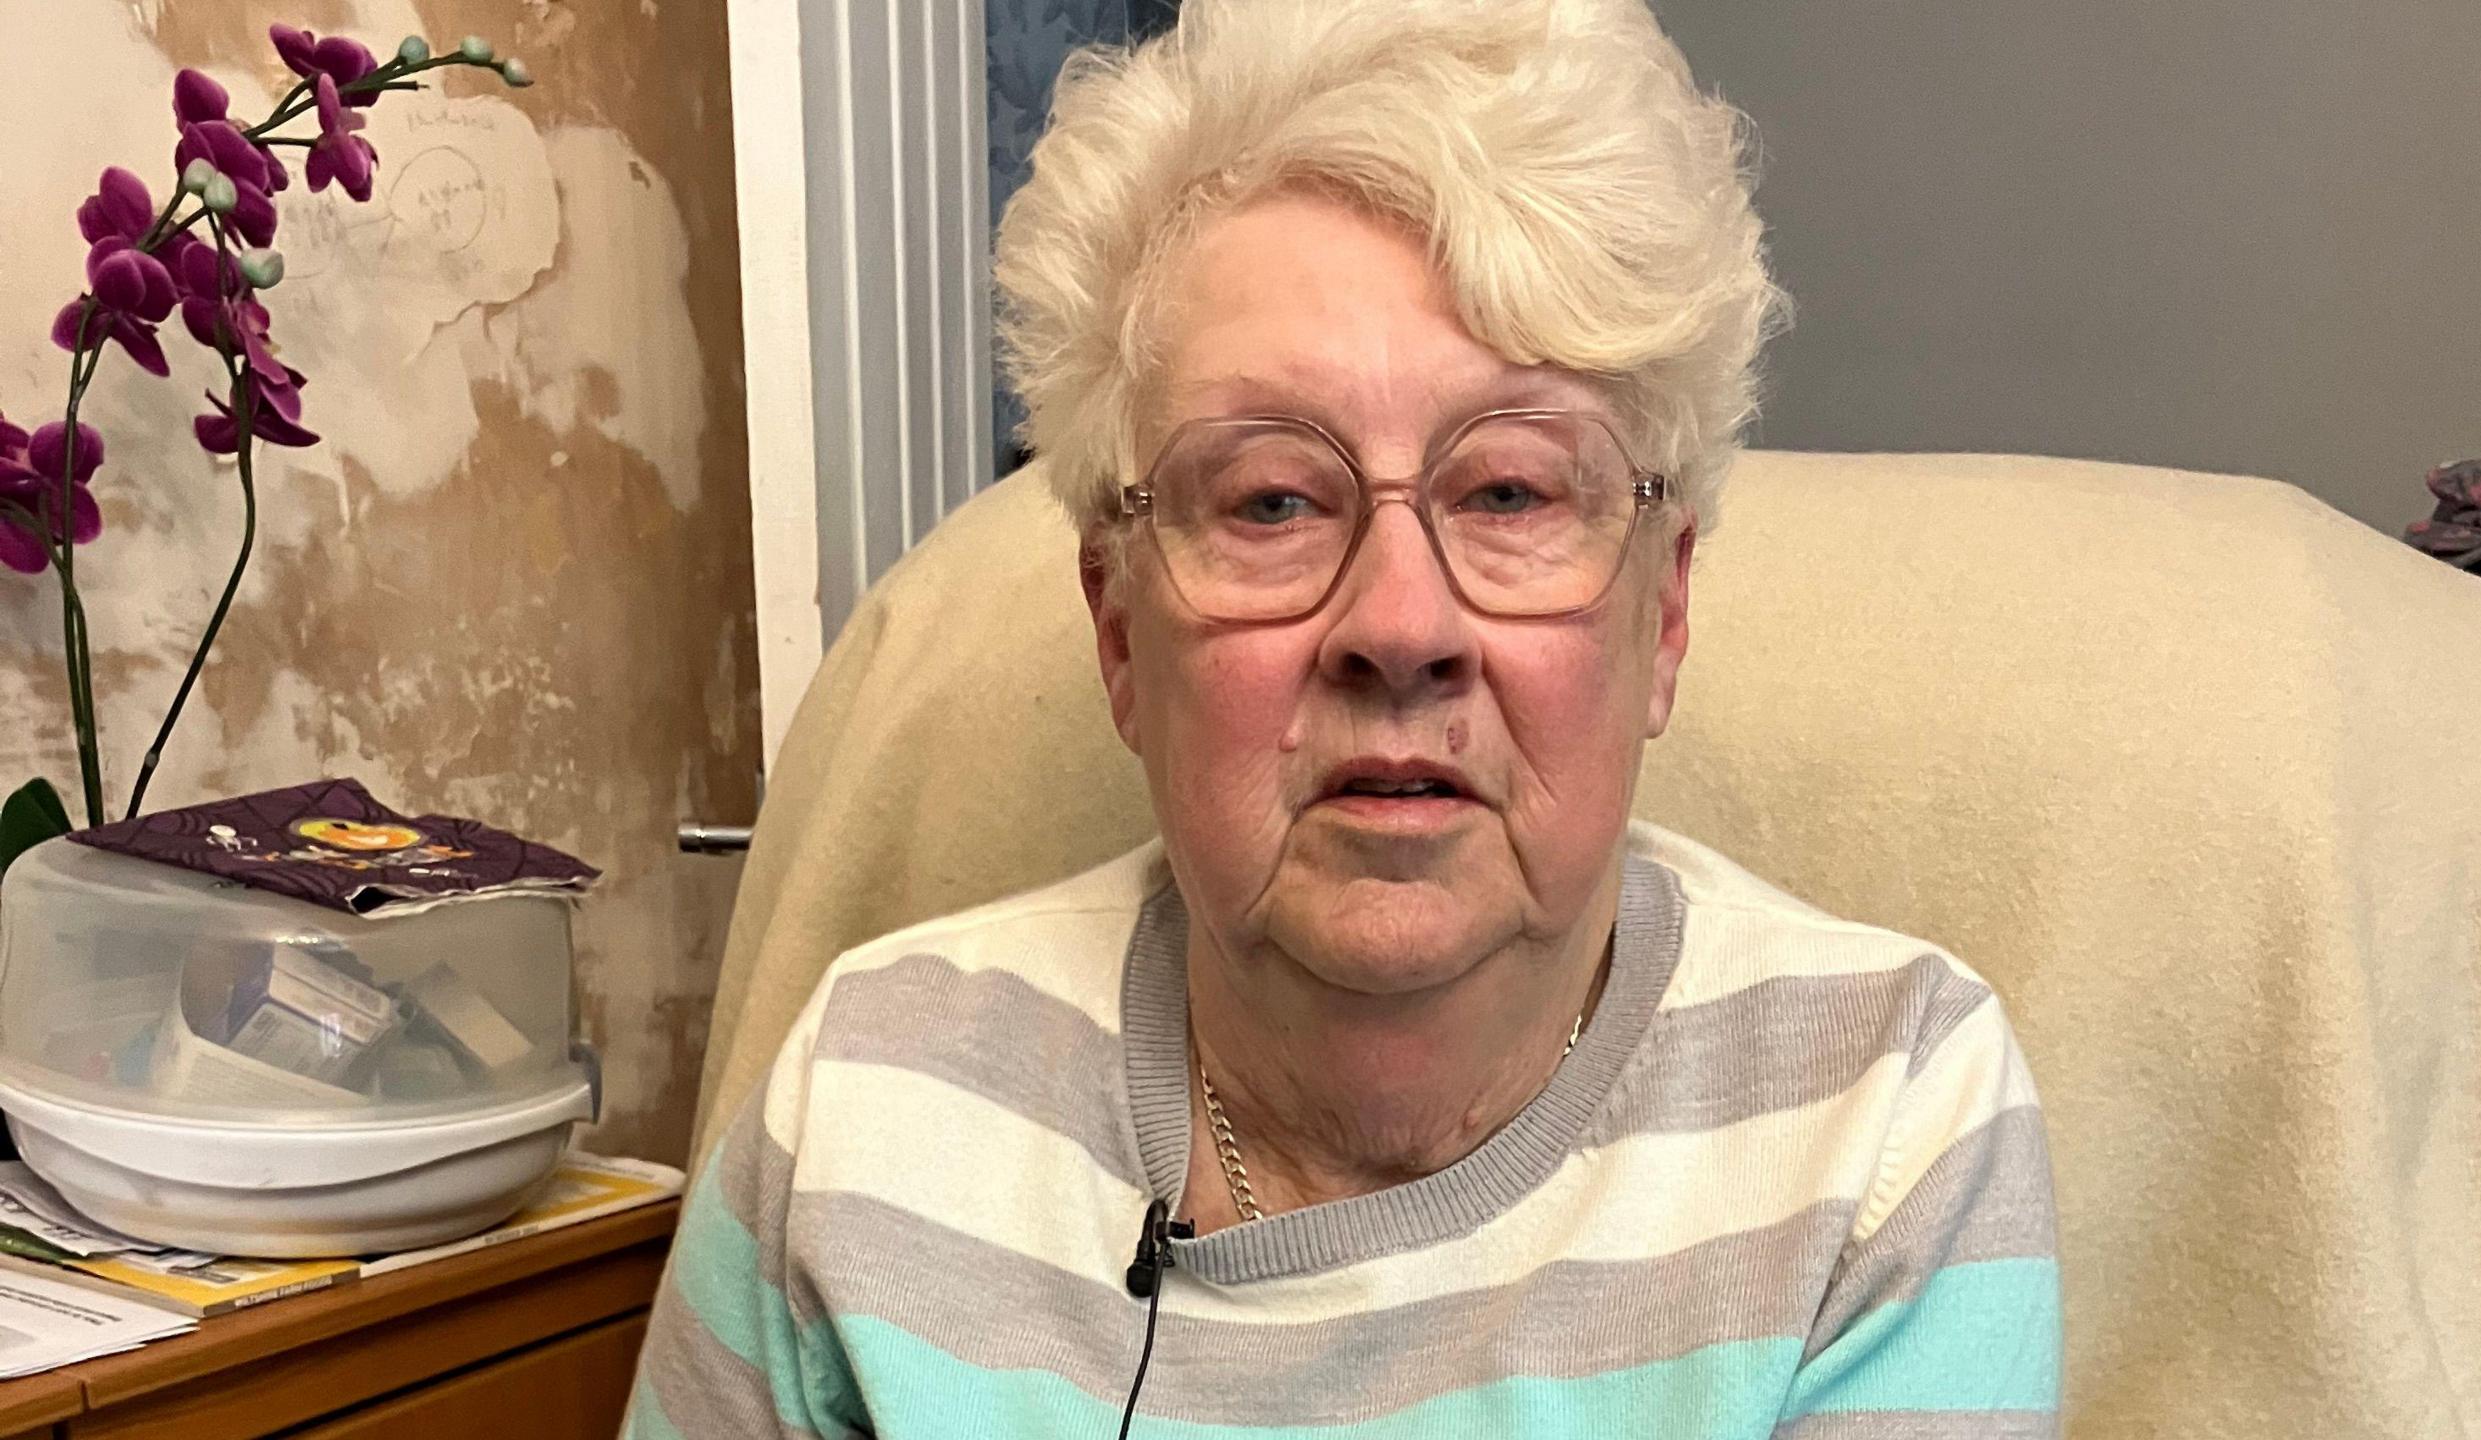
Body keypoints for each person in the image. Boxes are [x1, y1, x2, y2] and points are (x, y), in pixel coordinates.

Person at [625, 1, 2060, 1434]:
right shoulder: (861, 1115)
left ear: (1662, 612)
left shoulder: (1886, 1128)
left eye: (1508, 492)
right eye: (1270, 501)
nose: (1399, 628)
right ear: (1121, 628)